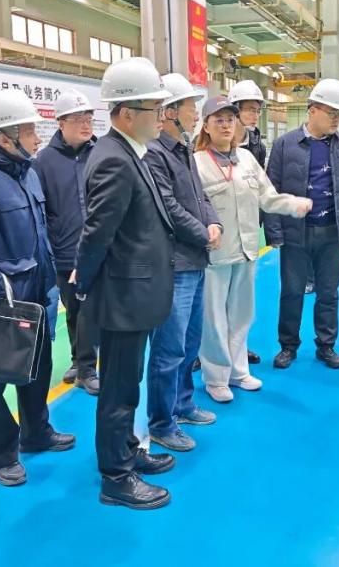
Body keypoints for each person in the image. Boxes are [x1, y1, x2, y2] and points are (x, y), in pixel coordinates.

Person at [0, 89, 74, 487]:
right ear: (5, 138)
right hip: (1, 301)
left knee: (38, 367)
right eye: (29, 131)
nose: (37, 138)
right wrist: (0, 290)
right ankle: (1, 454)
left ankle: (36, 432)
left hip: (37, 295)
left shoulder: (28, 174)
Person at [72, 57, 177, 510]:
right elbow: (97, 232)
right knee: (118, 389)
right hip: (122, 297)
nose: (162, 117)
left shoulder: (131, 153)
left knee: (127, 382)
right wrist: (83, 284)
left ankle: (127, 451)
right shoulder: (114, 159)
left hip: (134, 294)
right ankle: (115, 477)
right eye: (156, 109)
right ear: (128, 114)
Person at [195, 97, 311, 402]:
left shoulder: (246, 159)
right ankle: (216, 378)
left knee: (242, 315)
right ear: (205, 126)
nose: (226, 125)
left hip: (247, 251)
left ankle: (238, 371)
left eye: (230, 120)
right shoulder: (196, 163)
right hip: (214, 255)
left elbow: (268, 197)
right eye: (218, 120)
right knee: (214, 320)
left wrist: (293, 205)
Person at [266, 79, 339, 370]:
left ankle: (326, 345)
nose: (337, 119)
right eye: (332, 112)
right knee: (292, 292)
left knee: (328, 292)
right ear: (312, 110)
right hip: (295, 233)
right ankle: (288, 346)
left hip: (332, 232)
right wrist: (274, 231)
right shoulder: (285, 144)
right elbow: (271, 189)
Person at [144, 73, 220, 453]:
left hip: (195, 261)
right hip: (174, 265)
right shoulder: (154, 153)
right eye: (191, 106)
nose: (196, 113)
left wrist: (214, 221)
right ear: (171, 111)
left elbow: (199, 196)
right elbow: (169, 207)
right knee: (168, 348)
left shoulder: (183, 149)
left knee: (190, 342)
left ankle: (183, 404)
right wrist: (202, 232)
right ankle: (161, 422)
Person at [33, 90, 99, 393]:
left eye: (89, 119)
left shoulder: (99, 153)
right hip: (64, 252)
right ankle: (80, 360)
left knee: (93, 310)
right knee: (73, 309)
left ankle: (88, 367)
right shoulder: (44, 162)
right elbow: (41, 210)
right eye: (78, 119)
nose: (86, 125)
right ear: (60, 123)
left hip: (99, 250)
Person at [228, 79, 269, 365]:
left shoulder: (257, 145)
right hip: (220, 229)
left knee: (242, 296)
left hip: (248, 226)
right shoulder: (207, 142)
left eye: (257, 110)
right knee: (215, 297)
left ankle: (239, 348)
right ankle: (209, 351)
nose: (254, 115)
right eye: (249, 109)